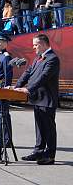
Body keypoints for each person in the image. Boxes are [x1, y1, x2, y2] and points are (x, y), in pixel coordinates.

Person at [15, 34, 60, 165]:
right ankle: (38, 151)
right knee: (39, 127)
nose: (33, 47)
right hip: (38, 98)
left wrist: (28, 89)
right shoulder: (37, 58)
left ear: (43, 44)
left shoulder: (53, 59)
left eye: (36, 44)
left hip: (47, 99)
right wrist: (16, 86)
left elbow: (43, 77)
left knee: (49, 128)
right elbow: (28, 72)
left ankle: (50, 155)